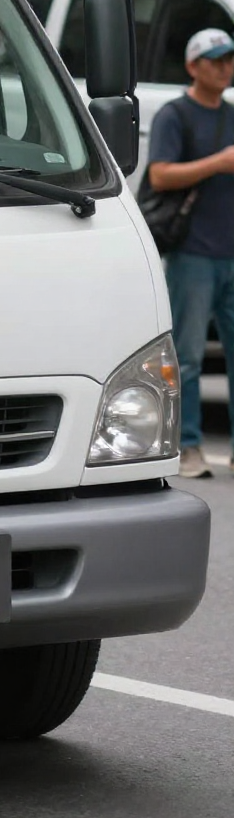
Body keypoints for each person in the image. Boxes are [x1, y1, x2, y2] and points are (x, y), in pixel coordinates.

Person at [146, 28, 234, 480]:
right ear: (193, 66)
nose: (224, 66)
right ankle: (191, 446)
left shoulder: (231, 114)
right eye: (215, 59)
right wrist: (217, 163)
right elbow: (160, 176)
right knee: (191, 356)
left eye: (228, 58)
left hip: (230, 252)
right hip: (194, 255)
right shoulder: (174, 116)